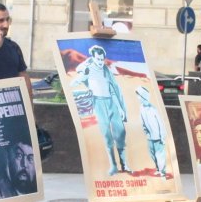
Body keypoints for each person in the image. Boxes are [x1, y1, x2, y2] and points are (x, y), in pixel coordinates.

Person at [72, 43, 129, 174]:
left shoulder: (106, 70)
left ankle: (124, 164)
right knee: (107, 135)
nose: (100, 62)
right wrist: (87, 65)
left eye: (102, 59)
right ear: (93, 58)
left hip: (111, 102)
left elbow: (113, 90)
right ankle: (114, 165)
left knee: (120, 133)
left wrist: (120, 108)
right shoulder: (87, 69)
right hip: (98, 103)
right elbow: (76, 77)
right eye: (98, 59)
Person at [135, 84, 170, 177]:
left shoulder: (153, 109)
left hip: (158, 137)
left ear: (143, 96)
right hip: (149, 137)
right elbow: (142, 121)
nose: (138, 98)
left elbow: (160, 124)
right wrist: (146, 132)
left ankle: (162, 172)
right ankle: (158, 169)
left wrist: (162, 136)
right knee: (152, 155)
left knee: (160, 155)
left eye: (139, 95)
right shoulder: (141, 108)